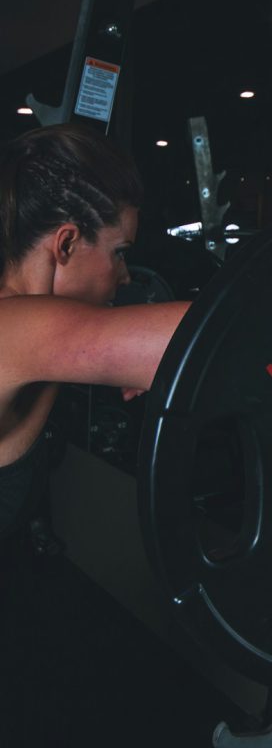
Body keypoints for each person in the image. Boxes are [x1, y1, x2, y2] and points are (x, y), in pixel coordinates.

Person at [0, 124, 190, 538]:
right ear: (65, 245)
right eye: (118, 253)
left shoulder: (31, 336)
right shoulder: (11, 329)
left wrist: (132, 355)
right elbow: (218, 333)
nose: (124, 276)